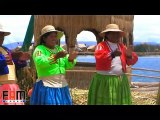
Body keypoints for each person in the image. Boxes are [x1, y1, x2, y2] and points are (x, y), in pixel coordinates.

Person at [88, 24, 138, 105]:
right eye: (113, 33)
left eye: (117, 33)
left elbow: (131, 61)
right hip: (105, 81)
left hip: (120, 81)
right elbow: (99, 57)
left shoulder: (122, 46)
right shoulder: (101, 46)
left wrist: (129, 55)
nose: (116, 35)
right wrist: (112, 54)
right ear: (107, 35)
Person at [30, 25, 78, 105]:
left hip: (62, 86)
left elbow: (67, 65)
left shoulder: (59, 49)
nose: (54, 38)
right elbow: (40, 63)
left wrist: (71, 59)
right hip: (47, 86)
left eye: (55, 36)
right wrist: (56, 56)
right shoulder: (40, 49)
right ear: (44, 38)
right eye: (51, 36)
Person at [0, 23, 30, 105]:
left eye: (2, 36)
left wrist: (20, 60)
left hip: (12, 87)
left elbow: (11, 65)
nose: (1, 38)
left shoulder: (6, 50)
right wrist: (8, 58)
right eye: (0, 35)